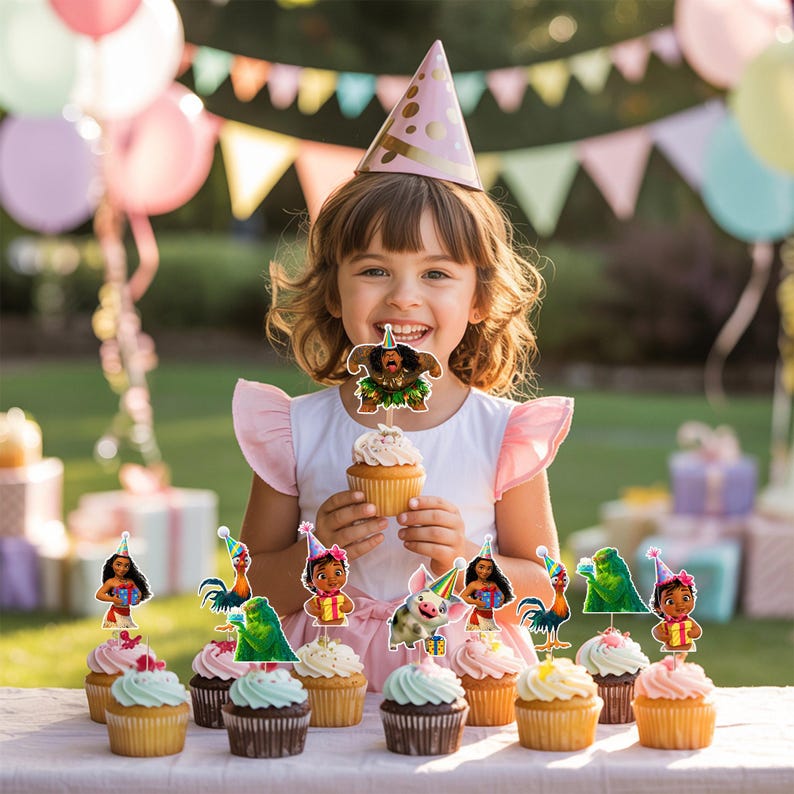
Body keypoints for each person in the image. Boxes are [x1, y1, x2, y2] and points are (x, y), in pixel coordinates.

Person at [232, 41, 573, 691]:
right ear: (334, 292)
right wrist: (315, 554)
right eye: (374, 270)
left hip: (462, 677)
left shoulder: (502, 435)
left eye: (436, 273)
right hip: (321, 676)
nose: (404, 297)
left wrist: (467, 563)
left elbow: (546, 591)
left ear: (479, 299)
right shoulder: (295, 431)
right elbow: (251, 589)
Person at [646, 546, 702, 652]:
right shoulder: (666, 624)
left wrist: (693, 633)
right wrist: (662, 636)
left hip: (688, 648)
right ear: (658, 607)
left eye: (686, 598)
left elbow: (697, 630)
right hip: (670, 649)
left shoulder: (688, 621)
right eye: (670, 601)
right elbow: (656, 630)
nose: (680, 604)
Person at [95, 531, 152, 629]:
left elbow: (137, 592)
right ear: (112, 565)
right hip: (116, 615)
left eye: (126, 566)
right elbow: (99, 595)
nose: (122, 569)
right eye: (118, 564)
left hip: (126, 614)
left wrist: (137, 598)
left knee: (126, 633)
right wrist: (112, 599)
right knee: (116, 633)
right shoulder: (111, 582)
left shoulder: (130, 581)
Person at [460, 535, 515, 632]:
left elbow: (501, 594)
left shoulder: (493, 584)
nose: (485, 571)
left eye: (489, 568)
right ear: (475, 567)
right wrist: (475, 602)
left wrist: (500, 601)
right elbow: (463, 596)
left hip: (489, 616)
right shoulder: (474, 584)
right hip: (478, 617)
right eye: (481, 567)